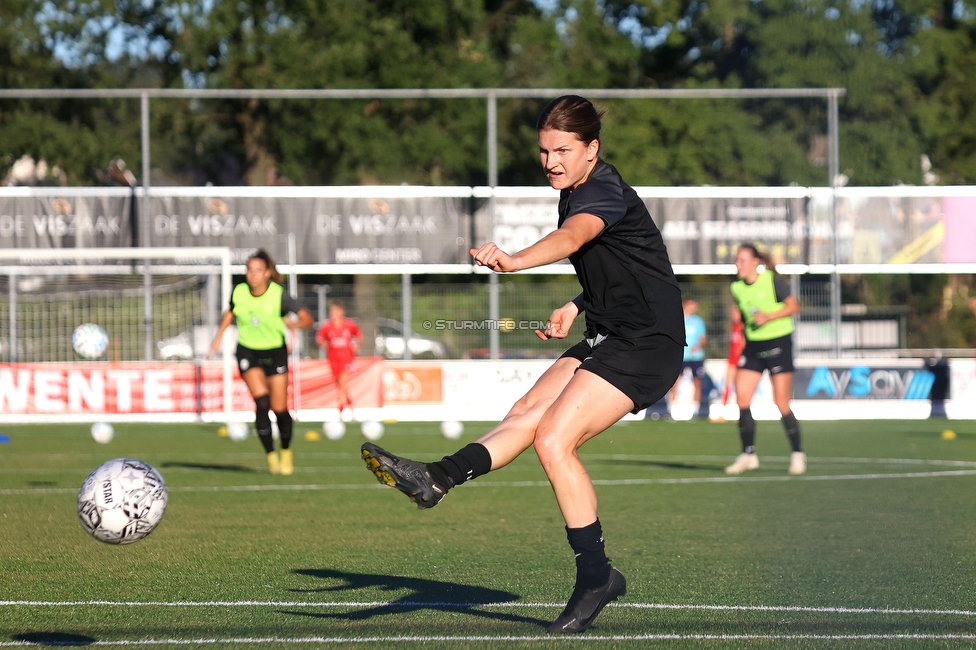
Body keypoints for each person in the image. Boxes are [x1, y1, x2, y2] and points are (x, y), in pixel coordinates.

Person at [359, 95, 684, 635]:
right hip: (611, 332)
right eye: (544, 150)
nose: (552, 161)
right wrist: (577, 304)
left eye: (563, 150)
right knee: (527, 410)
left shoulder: (602, 188)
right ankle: (436, 478)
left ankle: (596, 577)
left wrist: (512, 260)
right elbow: (618, 263)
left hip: (649, 343)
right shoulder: (575, 190)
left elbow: (575, 239)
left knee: (554, 437)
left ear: (592, 149)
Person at [209, 249, 314, 475]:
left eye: (258, 270)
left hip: (275, 352)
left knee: (279, 409)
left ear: (267, 273)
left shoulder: (279, 295)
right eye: (249, 270)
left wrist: (295, 325)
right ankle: (271, 456)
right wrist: (217, 338)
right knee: (262, 403)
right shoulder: (239, 291)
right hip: (248, 352)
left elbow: (307, 318)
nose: (253, 275)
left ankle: (285, 450)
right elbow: (231, 312)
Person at [724, 243, 805, 476]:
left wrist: (769, 316)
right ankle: (748, 455)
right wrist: (738, 317)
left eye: (742, 260)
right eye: (736, 260)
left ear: (755, 262)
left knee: (781, 402)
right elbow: (744, 314)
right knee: (743, 399)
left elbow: (794, 306)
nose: (738, 264)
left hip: (778, 342)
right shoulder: (737, 287)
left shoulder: (772, 280)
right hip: (754, 345)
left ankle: (798, 453)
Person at [315, 301, 362, 419]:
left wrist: (357, 346)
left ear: (342, 312)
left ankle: (340, 414)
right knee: (341, 386)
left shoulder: (349, 324)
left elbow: (359, 335)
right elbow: (319, 339)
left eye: (336, 311)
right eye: (331, 311)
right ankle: (351, 407)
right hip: (333, 360)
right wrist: (325, 345)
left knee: (342, 383)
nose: (333, 313)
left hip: (347, 359)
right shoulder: (327, 326)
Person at [669, 299, 707, 416]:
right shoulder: (677, 320)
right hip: (681, 356)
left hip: (695, 357)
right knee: (675, 381)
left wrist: (699, 346)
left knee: (697, 381)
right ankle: (671, 409)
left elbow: (703, 339)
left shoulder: (698, 321)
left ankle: (696, 410)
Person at [711, 305, 746, 423]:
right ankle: (723, 412)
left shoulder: (743, 326)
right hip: (732, 359)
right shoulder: (734, 326)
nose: (732, 314)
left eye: (735, 312)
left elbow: (743, 344)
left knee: (739, 388)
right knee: (728, 385)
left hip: (740, 360)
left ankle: (742, 414)